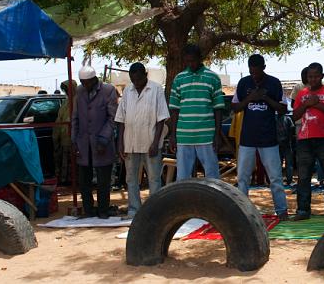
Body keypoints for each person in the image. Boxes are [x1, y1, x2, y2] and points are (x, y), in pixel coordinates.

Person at [232, 54, 289, 219]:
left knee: (275, 178)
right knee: (242, 177)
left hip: (268, 139)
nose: (254, 75)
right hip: (247, 139)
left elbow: (283, 109)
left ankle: (282, 211)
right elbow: (235, 107)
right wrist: (250, 98)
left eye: (257, 71)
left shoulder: (274, 83)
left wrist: (264, 97)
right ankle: (242, 212)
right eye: (251, 71)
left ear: (264, 68)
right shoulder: (244, 83)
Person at [115, 63, 169, 218]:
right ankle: (134, 209)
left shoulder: (156, 89)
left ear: (145, 75)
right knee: (131, 178)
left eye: (138, 79)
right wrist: (120, 143)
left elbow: (161, 119)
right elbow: (121, 119)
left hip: (151, 143)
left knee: (154, 178)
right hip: (130, 142)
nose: (136, 82)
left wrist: (155, 142)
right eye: (133, 80)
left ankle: (154, 210)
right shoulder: (127, 91)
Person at [292, 62, 324, 221]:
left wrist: (318, 104)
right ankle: (303, 210)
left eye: (315, 76)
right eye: (310, 76)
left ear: (321, 76)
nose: (312, 79)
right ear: (307, 77)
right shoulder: (302, 94)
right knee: (303, 177)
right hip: (304, 140)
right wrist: (306, 105)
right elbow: (294, 116)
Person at [168, 44, 226, 180]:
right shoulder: (179, 78)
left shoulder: (213, 77)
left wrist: (217, 134)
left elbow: (218, 108)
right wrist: (173, 134)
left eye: (193, 60)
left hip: (206, 135)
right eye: (187, 61)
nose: (191, 64)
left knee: (212, 176)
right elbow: (174, 109)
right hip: (183, 136)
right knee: (182, 177)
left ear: (200, 58)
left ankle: (213, 201)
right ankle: (185, 202)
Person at [71, 66, 118, 218]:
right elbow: (75, 118)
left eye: (87, 82)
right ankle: (89, 210)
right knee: (84, 181)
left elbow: (113, 118)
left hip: (102, 143)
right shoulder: (79, 91)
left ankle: (103, 210)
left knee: (103, 181)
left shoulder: (108, 90)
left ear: (94, 79)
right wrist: (74, 140)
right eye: (82, 82)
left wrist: (103, 139)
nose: (85, 85)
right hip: (84, 143)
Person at [53, 79, 76, 185]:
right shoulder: (66, 101)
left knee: (70, 159)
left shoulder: (77, 101)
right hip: (62, 134)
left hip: (71, 135)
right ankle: (63, 179)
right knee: (63, 158)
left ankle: (70, 179)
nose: (66, 91)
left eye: (67, 89)